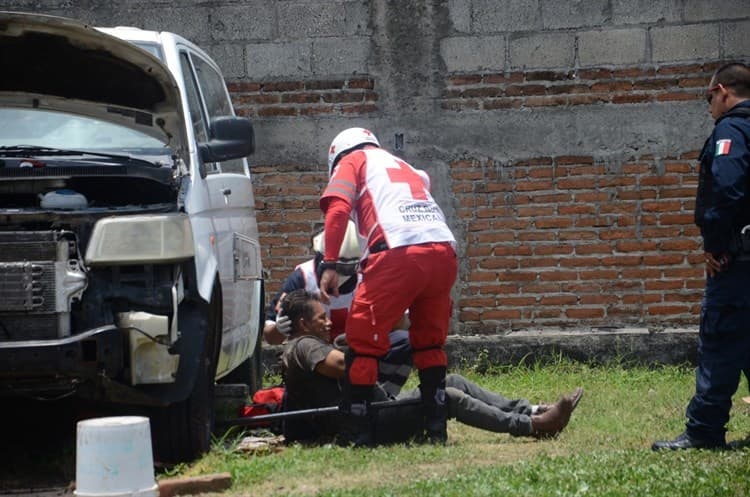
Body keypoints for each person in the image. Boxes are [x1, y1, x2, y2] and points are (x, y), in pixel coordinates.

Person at [279, 289, 583, 445]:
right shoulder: (303, 346)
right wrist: (363, 335)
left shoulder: (308, 345)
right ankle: (535, 427)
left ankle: (530, 410)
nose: (328, 321)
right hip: (362, 425)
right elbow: (344, 364)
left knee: (452, 380)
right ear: (304, 323)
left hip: (374, 410)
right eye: (321, 318)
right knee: (447, 396)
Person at [318, 127, 459, 446]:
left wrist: (329, 263)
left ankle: (357, 432)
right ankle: (435, 429)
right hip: (443, 249)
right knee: (429, 343)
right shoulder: (402, 165)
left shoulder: (351, 161)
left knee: (363, 341)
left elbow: (338, 208)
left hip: (397, 250)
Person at [653, 62, 750, 451]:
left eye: (708, 96)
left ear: (723, 91)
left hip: (736, 265)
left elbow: (727, 191)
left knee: (719, 343)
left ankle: (704, 431)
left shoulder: (731, 130)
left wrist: (714, 245)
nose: (708, 105)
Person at [263, 221, 361, 346]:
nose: (340, 276)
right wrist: (279, 329)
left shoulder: (364, 277)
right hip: (311, 355)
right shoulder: (302, 277)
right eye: (338, 265)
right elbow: (270, 337)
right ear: (323, 258)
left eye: (350, 266)